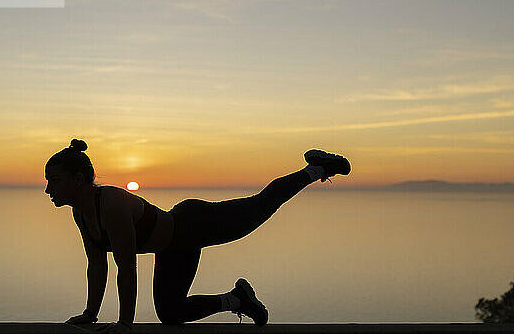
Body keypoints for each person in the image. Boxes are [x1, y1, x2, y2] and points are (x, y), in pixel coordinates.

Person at [46, 139, 350, 333]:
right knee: (170, 313)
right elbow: (97, 266)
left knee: (260, 205)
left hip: (193, 223)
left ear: (78, 180)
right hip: (173, 248)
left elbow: (126, 267)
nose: (48, 189)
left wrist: (126, 324)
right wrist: (90, 314)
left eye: (54, 181)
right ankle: (238, 299)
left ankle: (318, 168)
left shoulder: (109, 203)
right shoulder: (81, 212)